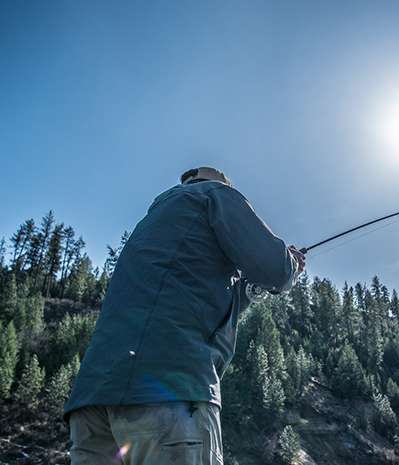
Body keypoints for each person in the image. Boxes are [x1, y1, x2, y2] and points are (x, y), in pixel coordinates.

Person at [64, 167, 305, 464]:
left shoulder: (150, 224)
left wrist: (248, 291)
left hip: (92, 403)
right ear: (221, 184)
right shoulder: (215, 194)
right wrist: (291, 264)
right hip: (170, 394)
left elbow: (192, 294)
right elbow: (274, 270)